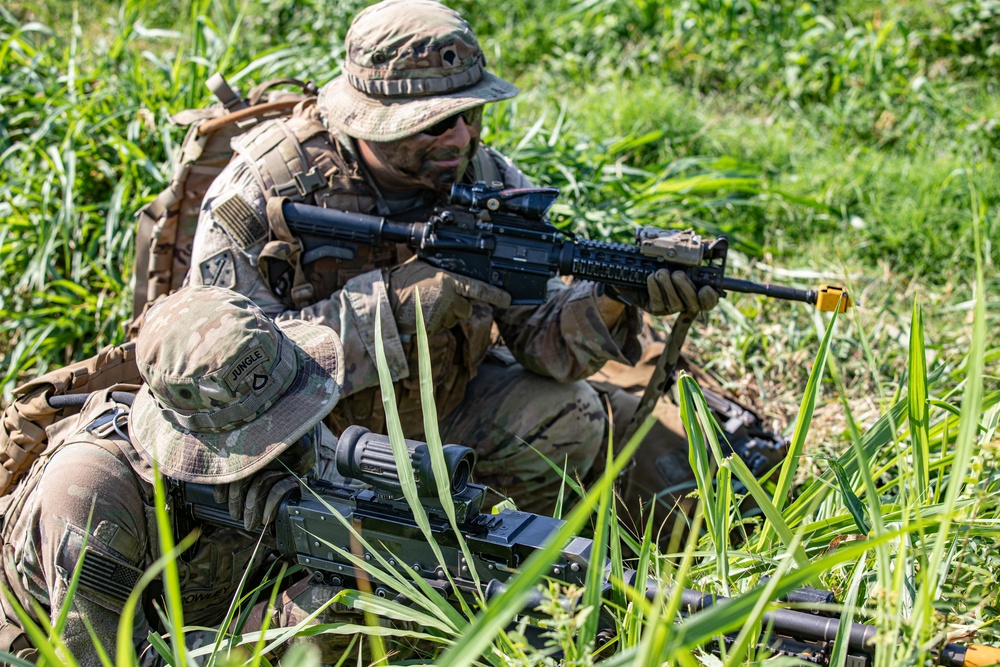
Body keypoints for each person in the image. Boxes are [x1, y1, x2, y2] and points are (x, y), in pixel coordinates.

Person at [188, 0, 720, 526]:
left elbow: (540, 339)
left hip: (444, 408)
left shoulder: (482, 175)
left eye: (471, 113)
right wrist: (395, 309)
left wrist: (610, 296)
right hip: (309, 444)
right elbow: (224, 375)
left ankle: (490, 554)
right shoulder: (262, 192)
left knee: (570, 418)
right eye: (436, 123)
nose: (462, 137)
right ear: (370, 119)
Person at [0, 285, 353, 664]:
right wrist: (272, 635)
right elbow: (103, 660)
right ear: (195, 440)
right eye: (263, 439)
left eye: (289, 421)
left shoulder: (281, 396)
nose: (291, 448)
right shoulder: (93, 489)